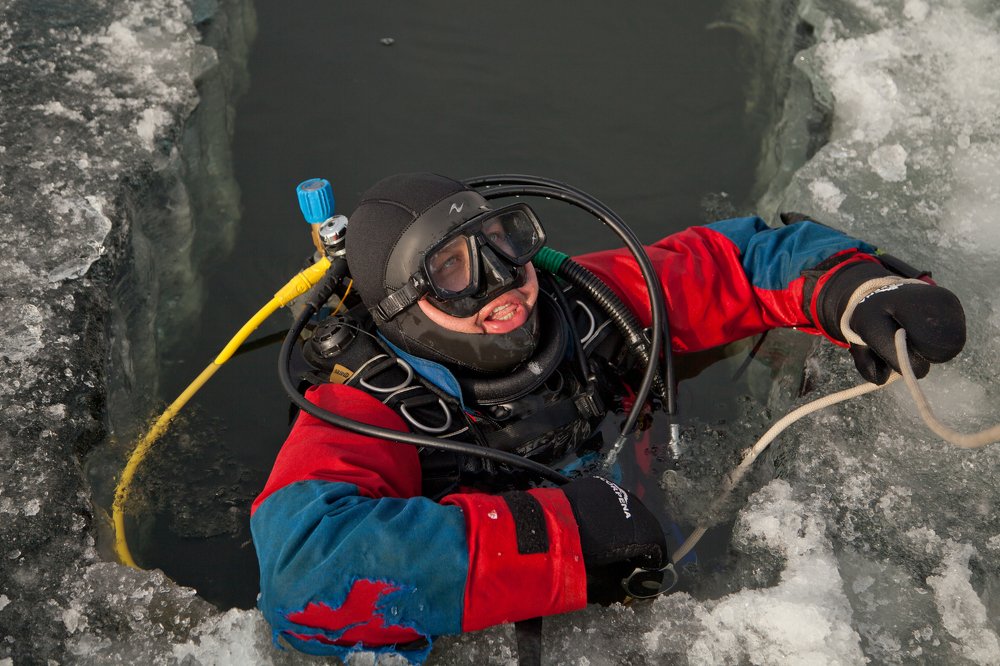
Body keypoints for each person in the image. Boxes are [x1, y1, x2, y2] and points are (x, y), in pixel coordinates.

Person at [249, 173, 965, 661]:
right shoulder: (364, 405)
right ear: (404, 305)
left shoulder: (589, 303)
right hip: (542, 593)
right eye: (457, 273)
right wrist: (569, 534)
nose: (508, 283)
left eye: (506, 243)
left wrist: (856, 287)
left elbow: (734, 263)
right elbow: (306, 571)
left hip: (660, 547)